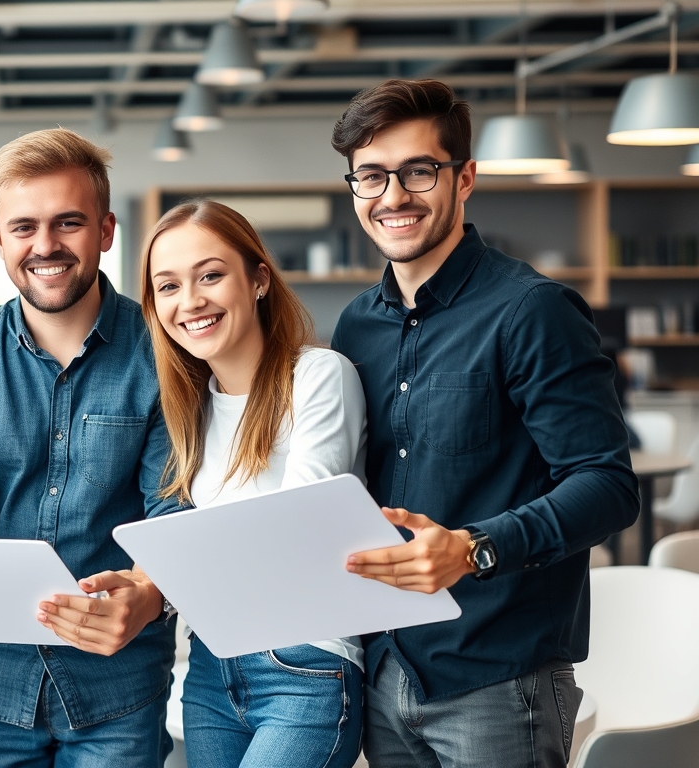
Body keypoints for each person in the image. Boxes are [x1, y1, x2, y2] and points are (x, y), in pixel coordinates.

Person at [328, 79, 638, 767]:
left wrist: (473, 550)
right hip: (388, 666)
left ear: (463, 177)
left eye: (418, 171)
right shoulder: (355, 325)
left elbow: (608, 485)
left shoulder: (533, 311)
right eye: (372, 176)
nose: (394, 196)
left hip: (499, 675)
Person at [0, 128, 182, 768]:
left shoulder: (165, 352)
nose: (45, 245)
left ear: (106, 230)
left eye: (68, 223)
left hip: (118, 686)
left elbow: (174, 508)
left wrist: (149, 590)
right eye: (24, 226)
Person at [140, 199, 366, 768]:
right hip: (212, 668)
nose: (189, 302)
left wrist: (176, 570)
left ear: (259, 279)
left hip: (305, 662)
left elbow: (297, 533)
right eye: (167, 286)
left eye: (210, 276)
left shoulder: (318, 376)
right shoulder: (186, 411)